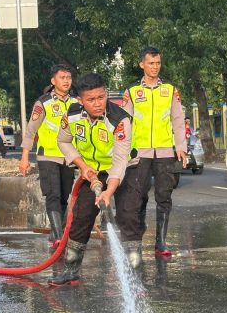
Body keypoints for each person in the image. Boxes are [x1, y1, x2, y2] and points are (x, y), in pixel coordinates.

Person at [49, 73, 142, 286]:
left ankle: (135, 275)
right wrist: (83, 167)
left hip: (127, 168)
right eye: (91, 100)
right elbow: (63, 141)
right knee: (81, 216)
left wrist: (109, 191)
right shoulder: (71, 115)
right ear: (80, 101)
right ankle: (71, 270)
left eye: (101, 97)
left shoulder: (119, 120)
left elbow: (120, 160)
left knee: (129, 217)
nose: (98, 103)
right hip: (92, 171)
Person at [122, 47, 187, 259]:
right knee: (138, 197)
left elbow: (178, 120)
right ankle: (137, 240)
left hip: (166, 152)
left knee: (164, 196)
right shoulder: (131, 92)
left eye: (158, 63)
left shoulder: (170, 90)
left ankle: (160, 242)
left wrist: (181, 147)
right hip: (140, 153)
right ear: (142, 64)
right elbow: (125, 123)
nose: (155, 67)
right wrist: (123, 151)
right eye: (151, 63)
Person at [19, 64, 76, 249]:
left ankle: (55, 232)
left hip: (69, 157)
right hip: (48, 156)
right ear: (53, 81)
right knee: (53, 195)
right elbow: (30, 131)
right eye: (62, 77)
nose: (66, 80)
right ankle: (59, 238)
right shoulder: (43, 103)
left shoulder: (76, 103)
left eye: (68, 77)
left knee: (64, 197)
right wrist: (25, 157)